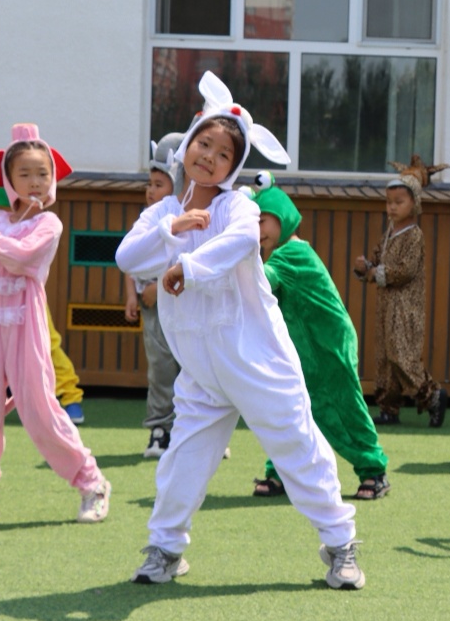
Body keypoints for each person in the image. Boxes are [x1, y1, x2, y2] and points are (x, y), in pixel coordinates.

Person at [115, 71, 362, 589]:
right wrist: (171, 231)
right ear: (186, 144)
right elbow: (127, 256)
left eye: (222, 154)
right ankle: (164, 549)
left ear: (233, 168)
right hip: (202, 370)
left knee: (296, 445)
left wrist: (188, 265)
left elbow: (237, 243)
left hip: (257, 359)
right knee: (184, 458)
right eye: (203, 142)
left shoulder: (238, 207)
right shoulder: (161, 211)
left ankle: (341, 544)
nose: (208, 156)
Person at [0, 124, 110, 524]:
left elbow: (23, 257)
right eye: (25, 174)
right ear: (9, 180)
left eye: (42, 173)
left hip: (25, 322)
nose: (35, 182)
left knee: (38, 407)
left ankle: (92, 483)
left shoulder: (48, 224)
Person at [245, 171, 392, 501]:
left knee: (342, 408)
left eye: (262, 222)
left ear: (282, 219)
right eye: (251, 225)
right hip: (305, 351)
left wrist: (238, 252)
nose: (256, 232)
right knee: (290, 411)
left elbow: (261, 282)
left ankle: (374, 470)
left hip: (328, 347)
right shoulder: (282, 254)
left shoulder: (291, 255)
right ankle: (281, 472)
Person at [0, 179, 91, 425]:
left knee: (46, 343)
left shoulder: (36, 222)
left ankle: (67, 396)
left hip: (24, 299)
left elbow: (26, 255)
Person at [354, 155, 450, 428]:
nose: (392, 208)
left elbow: (405, 270)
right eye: (389, 202)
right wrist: (365, 267)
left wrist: (376, 273)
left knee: (400, 353)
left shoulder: (414, 235)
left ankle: (431, 395)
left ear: (414, 203)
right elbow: (378, 260)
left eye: (399, 202)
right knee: (384, 356)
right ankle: (389, 407)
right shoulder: (389, 233)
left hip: (406, 305)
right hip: (386, 302)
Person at [124, 132, 185, 457]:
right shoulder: (146, 219)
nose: (150, 190)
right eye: (149, 183)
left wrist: (156, 287)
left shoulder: (185, 219)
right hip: (151, 309)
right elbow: (131, 260)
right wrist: (133, 296)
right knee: (160, 367)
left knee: (191, 368)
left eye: (159, 184)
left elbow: (184, 259)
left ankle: (200, 431)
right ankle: (160, 428)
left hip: (178, 303)